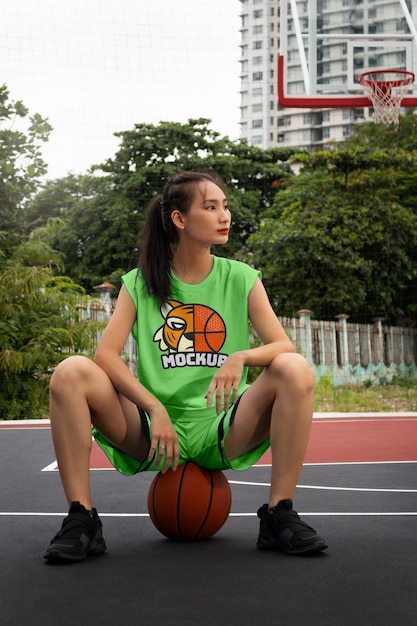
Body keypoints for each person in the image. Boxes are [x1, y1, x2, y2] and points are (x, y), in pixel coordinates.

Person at [44, 170, 327, 563]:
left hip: (222, 428)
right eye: (210, 207)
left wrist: (241, 356)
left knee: (294, 368)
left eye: (225, 206)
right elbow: (105, 356)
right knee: (70, 372)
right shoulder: (141, 282)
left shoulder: (240, 277)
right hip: (154, 433)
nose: (223, 215)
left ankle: (279, 513)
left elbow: (283, 344)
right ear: (179, 219)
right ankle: (82, 519)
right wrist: (154, 407)